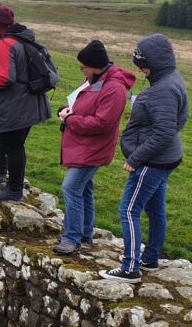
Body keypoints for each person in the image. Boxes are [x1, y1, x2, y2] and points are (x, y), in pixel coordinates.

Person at [100, 34, 189, 284]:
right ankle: (150, 258)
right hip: (166, 157)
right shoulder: (172, 80)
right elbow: (176, 122)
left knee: (128, 210)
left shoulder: (162, 90)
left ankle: (130, 268)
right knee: (155, 209)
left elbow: (163, 131)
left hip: (152, 161)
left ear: (154, 64)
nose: (141, 70)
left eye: (143, 65)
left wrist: (136, 157)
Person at [52, 40, 135, 255]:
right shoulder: (95, 80)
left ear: (95, 66)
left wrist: (70, 120)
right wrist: (67, 109)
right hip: (84, 145)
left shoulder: (114, 89)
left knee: (70, 188)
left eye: (83, 66)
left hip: (93, 148)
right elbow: (85, 106)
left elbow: (102, 123)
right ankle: (85, 234)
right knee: (84, 189)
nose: (81, 70)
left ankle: (72, 238)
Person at [0, 6, 51, 201]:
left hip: (15, 104)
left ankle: (13, 189)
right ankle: (6, 178)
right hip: (29, 101)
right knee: (14, 144)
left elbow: (5, 78)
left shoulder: (6, 44)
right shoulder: (23, 39)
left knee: (13, 146)